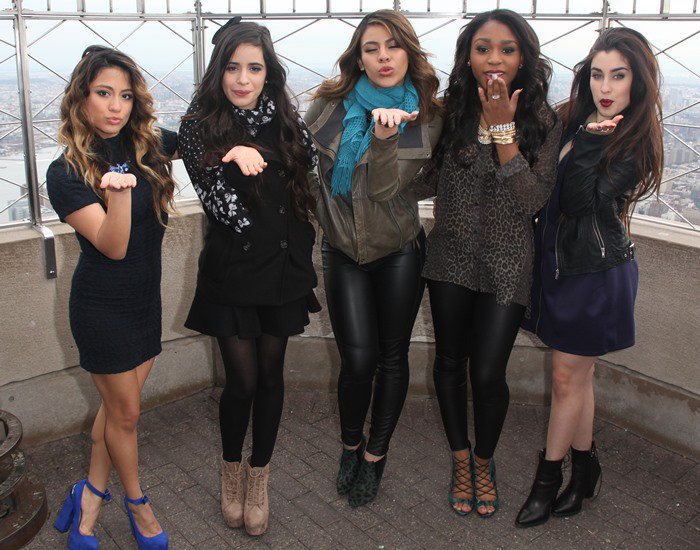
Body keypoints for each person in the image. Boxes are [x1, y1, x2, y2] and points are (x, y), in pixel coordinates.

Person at [412, 9, 561, 517]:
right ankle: (460, 458)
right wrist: (392, 141)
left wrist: (503, 131)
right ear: (467, 56)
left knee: (489, 372)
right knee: (450, 362)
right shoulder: (446, 112)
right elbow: (420, 184)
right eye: (482, 48)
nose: (494, 59)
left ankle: (485, 459)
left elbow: (532, 201)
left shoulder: (542, 119)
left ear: (524, 58)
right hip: (449, 254)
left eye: (507, 49)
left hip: (507, 261)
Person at [516, 27, 663, 527]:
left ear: (636, 84)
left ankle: (547, 478)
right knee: (579, 378)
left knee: (563, 379)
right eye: (597, 74)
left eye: (618, 76)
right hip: (561, 267)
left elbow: (579, 203)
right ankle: (586, 469)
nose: (606, 87)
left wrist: (586, 149)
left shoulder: (633, 141)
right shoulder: (577, 121)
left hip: (595, 275)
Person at [178, 18, 319, 536]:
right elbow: (219, 204)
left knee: (272, 378)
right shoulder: (199, 126)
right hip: (232, 271)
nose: (243, 78)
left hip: (282, 268)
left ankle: (260, 477)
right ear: (218, 71)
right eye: (233, 67)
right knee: (241, 381)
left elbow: (309, 173)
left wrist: (263, 152)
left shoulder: (285, 122)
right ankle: (230, 471)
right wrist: (228, 156)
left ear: (268, 72)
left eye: (254, 68)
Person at [304, 9, 443, 508]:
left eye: (393, 46)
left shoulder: (426, 116)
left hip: (398, 249)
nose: (383, 58)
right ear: (357, 57)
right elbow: (312, 174)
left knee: (392, 356)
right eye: (371, 48)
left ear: (410, 52)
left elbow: (385, 188)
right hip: (341, 248)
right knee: (357, 359)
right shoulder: (327, 105)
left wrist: (386, 139)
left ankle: (375, 455)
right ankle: (349, 445)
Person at [47, 46, 177, 549]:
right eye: (103, 93)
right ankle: (138, 506)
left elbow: (207, 134)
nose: (115, 106)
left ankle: (89, 494)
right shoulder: (65, 172)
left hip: (145, 302)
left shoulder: (146, 145)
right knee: (126, 415)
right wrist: (118, 194)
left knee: (114, 411)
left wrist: (239, 148)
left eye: (124, 95)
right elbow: (113, 245)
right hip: (103, 308)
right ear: (81, 99)